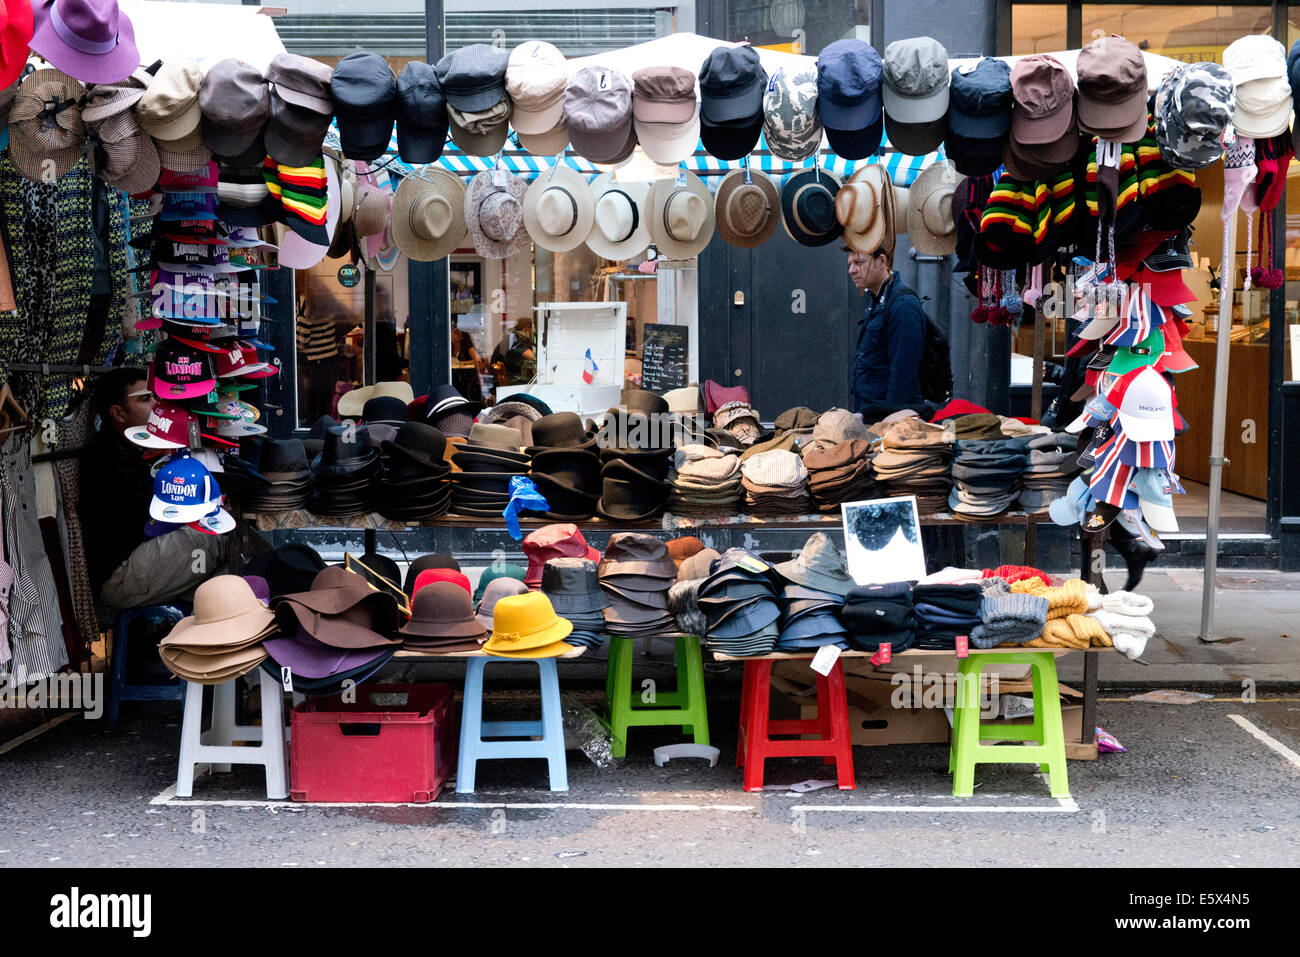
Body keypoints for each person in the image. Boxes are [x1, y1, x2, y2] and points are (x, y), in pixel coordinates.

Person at [80, 368, 228, 610]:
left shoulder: (138, 449)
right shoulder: (107, 457)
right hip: (122, 576)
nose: (156, 405)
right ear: (118, 413)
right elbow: (157, 519)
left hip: (145, 560)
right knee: (219, 535)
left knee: (223, 545)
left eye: (155, 398)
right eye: (145, 399)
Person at [847, 245, 926, 411]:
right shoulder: (877, 300)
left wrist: (888, 422)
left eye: (858, 263)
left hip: (888, 422)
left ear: (882, 261)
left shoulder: (902, 305)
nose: (851, 270)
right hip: (872, 417)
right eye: (850, 264)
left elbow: (904, 376)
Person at [490, 317, 536, 384]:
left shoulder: (512, 337)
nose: (534, 332)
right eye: (533, 329)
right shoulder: (514, 340)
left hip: (508, 378)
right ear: (526, 329)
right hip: (509, 382)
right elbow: (533, 357)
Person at [451, 320, 484, 403]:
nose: (452, 335)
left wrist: (462, 363)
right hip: (456, 377)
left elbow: (477, 361)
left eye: (455, 333)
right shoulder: (450, 347)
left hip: (468, 378)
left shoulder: (467, 346)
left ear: (461, 336)